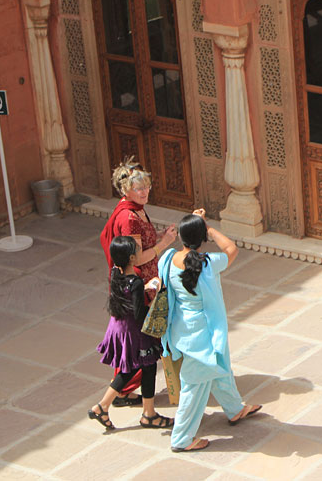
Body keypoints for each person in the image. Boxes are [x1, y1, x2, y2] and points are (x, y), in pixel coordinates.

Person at [160, 210, 261, 453]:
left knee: (219, 369)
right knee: (193, 387)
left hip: (184, 329)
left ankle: (235, 409)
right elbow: (231, 249)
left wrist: (198, 226)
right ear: (202, 238)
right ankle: (182, 439)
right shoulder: (207, 263)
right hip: (203, 335)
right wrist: (209, 228)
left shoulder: (168, 259)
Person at [99, 157, 177, 406]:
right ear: (126, 189)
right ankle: (122, 395)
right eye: (139, 188)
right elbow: (137, 256)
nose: (145, 192)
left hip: (146, 281)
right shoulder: (129, 217)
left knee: (145, 347)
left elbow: (142, 240)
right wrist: (164, 244)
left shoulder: (136, 208)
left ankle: (133, 400)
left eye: (146, 187)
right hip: (139, 285)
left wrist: (158, 235)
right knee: (141, 345)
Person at [87, 236, 174, 430]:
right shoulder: (135, 282)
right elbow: (139, 313)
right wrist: (156, 301)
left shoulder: (116, 274)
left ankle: (102, 406)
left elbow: (127, 297)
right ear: (132, 258)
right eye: (138, 250)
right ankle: (149, 415)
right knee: (148, 366)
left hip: (118, 328)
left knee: (131, 369)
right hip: (133, 332)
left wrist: (144, 287)